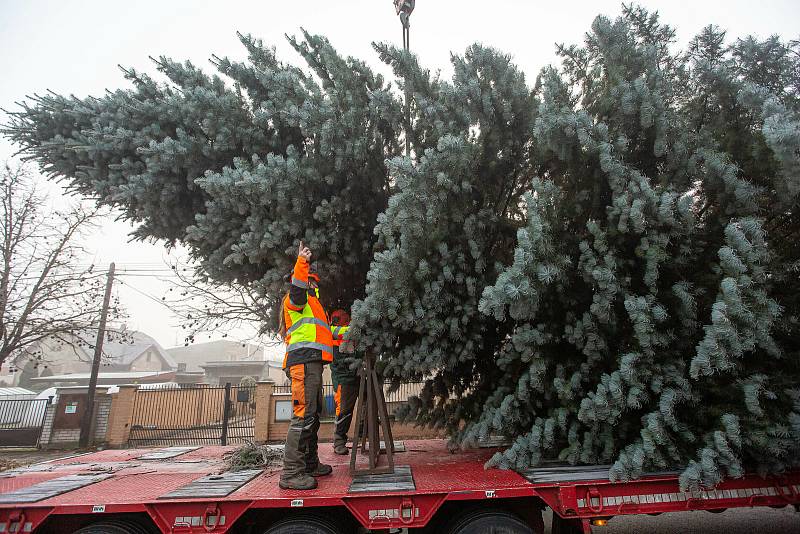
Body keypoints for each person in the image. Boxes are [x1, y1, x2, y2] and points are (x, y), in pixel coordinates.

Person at [278, 242, 334, 490]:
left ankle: (310, 463)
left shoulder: (314, 306)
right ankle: (291, 472)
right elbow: (298, 287)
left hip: (312, 362)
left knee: (312, 414)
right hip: (302, 363)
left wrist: (350, 335)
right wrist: (302, 262)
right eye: (312, 281)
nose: (315, 285)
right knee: (302, 416)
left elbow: (326, 333)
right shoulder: (296, 298)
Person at [329, 309, 360, 455]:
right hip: (343, 377)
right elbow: (347, 332)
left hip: (355, 374)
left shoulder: (349, 330)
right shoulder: (335, 330)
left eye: (349, 319)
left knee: (364, 404)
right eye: (345, 319)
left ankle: (362, 431)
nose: (348, 321)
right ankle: (339, 441)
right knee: (344, 410)